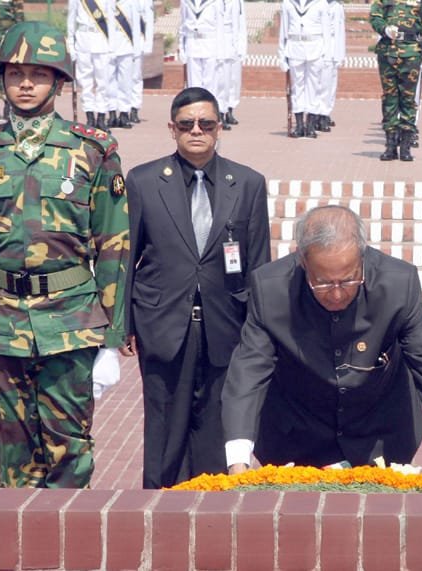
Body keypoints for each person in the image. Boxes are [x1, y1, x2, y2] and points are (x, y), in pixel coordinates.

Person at [0, 22, 129, 488]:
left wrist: (112, 341)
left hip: (70, 322)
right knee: (12, 456)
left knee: (69, 452)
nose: (25, 84)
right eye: (15, 74)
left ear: (58, 83)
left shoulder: (92, 151)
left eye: (38, 74)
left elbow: (114, 246)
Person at [221, 205, 422, 475]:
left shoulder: (398, 284)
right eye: (323, 283)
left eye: (348, 281)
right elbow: (248, 371)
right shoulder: (271, 289)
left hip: (380, 436)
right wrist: (238, 460)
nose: (337, 295)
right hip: (295, 437)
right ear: (302, 261)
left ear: (362, 257)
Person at [121, 87, 271, 489]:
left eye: (206, 123)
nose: (196, 131)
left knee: (218, 425)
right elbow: (126, 259)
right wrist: (123, 325)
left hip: (227, 325)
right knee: (165, 428)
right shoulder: (144, 181)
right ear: (172, 129)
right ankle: (160, 505)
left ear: (219, 127)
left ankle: (213, 508)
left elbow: (259, 264)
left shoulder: (248, 183)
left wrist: (262, 331)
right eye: (186, 124)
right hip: (162, 323)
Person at [370, 0, 422, 161]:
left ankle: (405, 146)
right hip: (388, 52)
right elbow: (375, 16)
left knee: (408, 99)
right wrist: (384, 29)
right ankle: (390, 145)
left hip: (411, 53)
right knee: (389, 99)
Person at [278, 0, 331, 139]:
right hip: (295, 47)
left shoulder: (320, 3)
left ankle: (311, 125)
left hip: (316, 48)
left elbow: (327, 31)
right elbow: (283, 31)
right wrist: (281, 55)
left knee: (314, 88)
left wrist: (327, 55)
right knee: (297, 88)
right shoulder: (288, 3)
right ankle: (300, 125)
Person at [179, 0, 230, 130]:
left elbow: (220, 26)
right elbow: (182, 25)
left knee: (210, 85)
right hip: (192, 43)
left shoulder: (215, 2)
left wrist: (220, 53)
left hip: (210, 43)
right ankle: (194, 118)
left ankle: (209, 118)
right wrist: (182, 48)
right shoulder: (186, 1)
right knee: (193, 85)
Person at [67, 0, 114, 130]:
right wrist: (71, 44)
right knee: (85, 82)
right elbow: (71, 20)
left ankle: (101, 117)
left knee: (103, 82)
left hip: (101, 39)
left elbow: (111, 20)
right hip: (83, 40)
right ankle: (90, 116)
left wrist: (112, 47)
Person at [0, 0, 25, 120]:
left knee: (8, 72)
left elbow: (20, 18)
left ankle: (8, 107)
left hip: (9, 39)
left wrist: (17, 36)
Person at [108, 0, 138, 129]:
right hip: (108, 47)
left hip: (126, 46)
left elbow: (136, 27)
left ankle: (124, 113)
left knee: (125, 82)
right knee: (109, 82)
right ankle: (112, 113)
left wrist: (136, 49)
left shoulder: (131, 3)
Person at [319, 0, 346, 132]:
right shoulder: (317, 5)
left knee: (330, 84)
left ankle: (325, 113)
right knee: (318, 84)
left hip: (333, 48)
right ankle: (315, 114)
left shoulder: (338, 7)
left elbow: (340, 32)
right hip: (318, 46)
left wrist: (340, 54)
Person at [221, 0, 247, 127]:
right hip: (223, 41)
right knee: (223, 81)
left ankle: (230, 110)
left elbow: (242, 24)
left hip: (236, 43)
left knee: (234, 81)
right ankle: (221, 111)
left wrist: (242, 47)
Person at [130, 0, 155, 124]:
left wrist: (147, 44)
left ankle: (134, 108)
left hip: (136, 42)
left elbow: (148, 20)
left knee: (135, 77)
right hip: (119, 40)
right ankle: (120, 110)